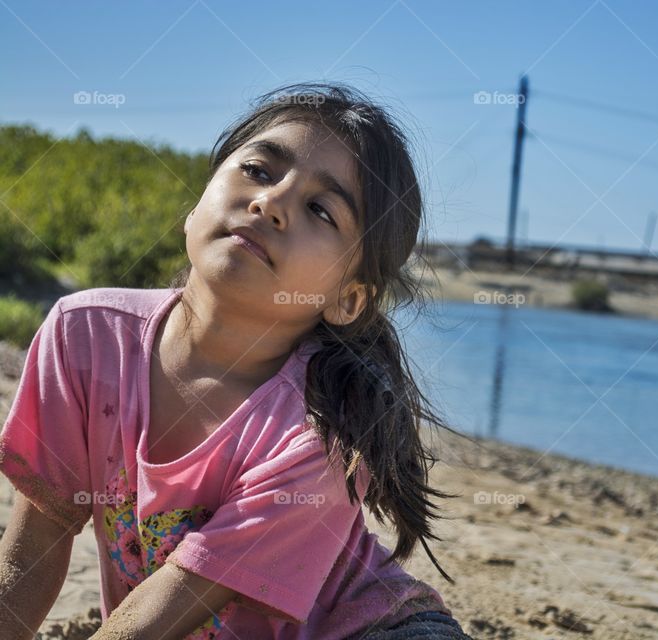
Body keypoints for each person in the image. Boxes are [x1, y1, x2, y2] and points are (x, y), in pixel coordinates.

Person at [0, 82, 474, 640]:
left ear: (348, 298)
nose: (269, 203)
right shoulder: (86, 335)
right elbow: (32, 549)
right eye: (259, 169)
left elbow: (162, 612)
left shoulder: (322, 436)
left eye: (320, 210)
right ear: (198, 200)